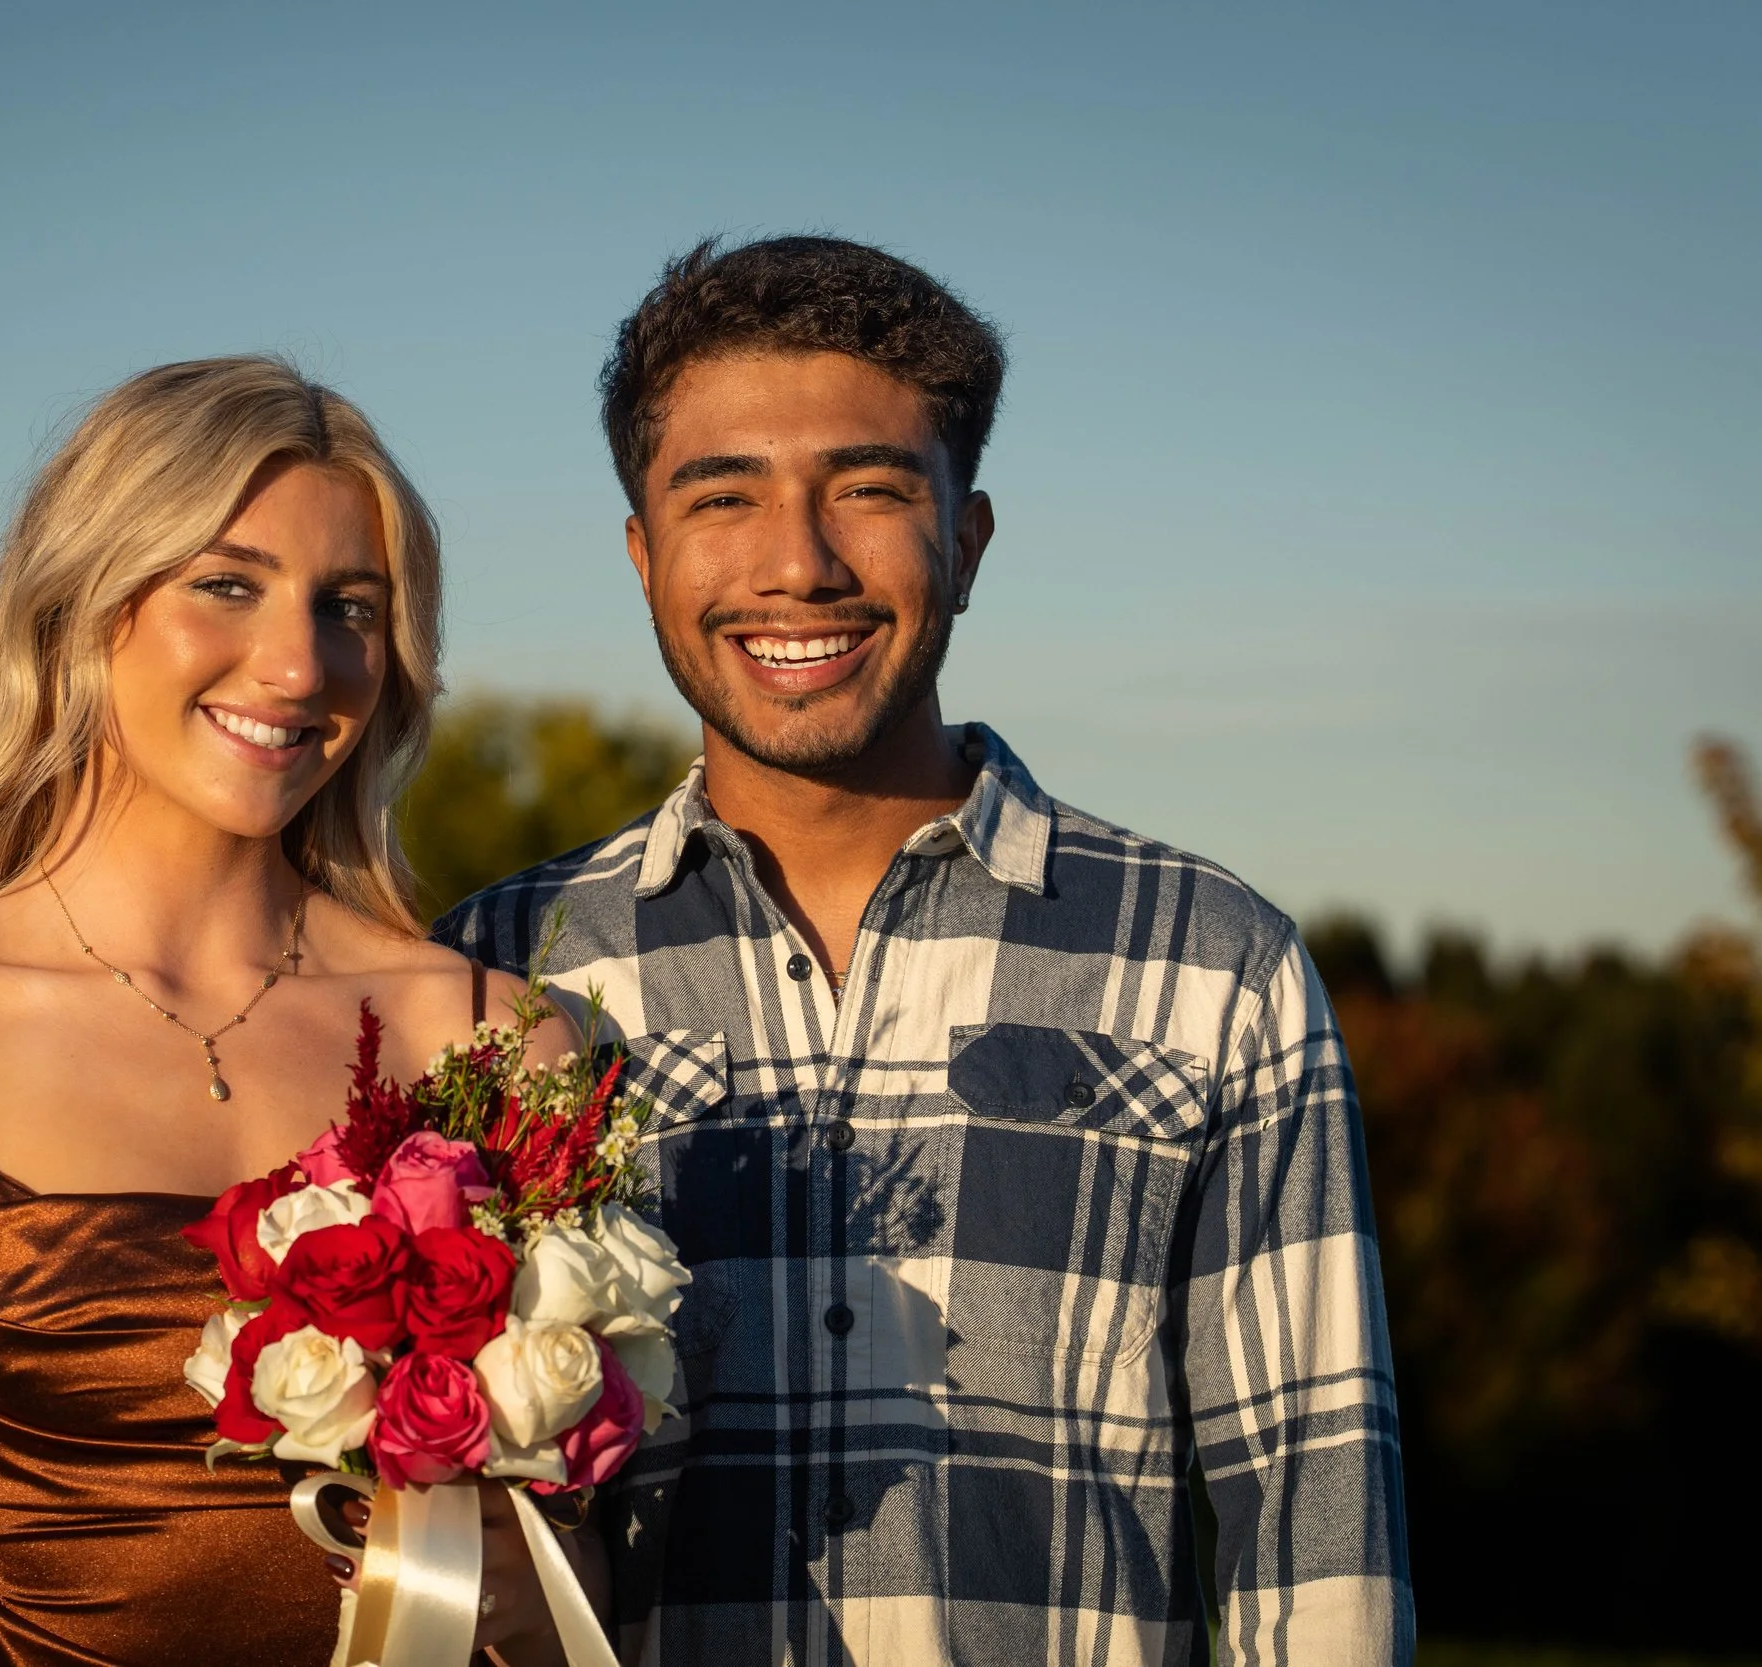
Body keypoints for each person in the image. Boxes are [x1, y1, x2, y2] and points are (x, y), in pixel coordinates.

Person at [437, 236, 1416, 1666]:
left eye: (872, 490)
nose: (798, 562)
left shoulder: (1214, 961)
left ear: (967, 539)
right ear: (644, 553)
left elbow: (1316, 1537)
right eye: (725, 496)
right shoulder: (500, 973)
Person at [0, 357, 600, 1666]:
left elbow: (575, 1582)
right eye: (226, 583)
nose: (296, 663)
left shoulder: (490, 1041)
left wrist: (529, 1593)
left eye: (351, 607)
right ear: (81, 604)